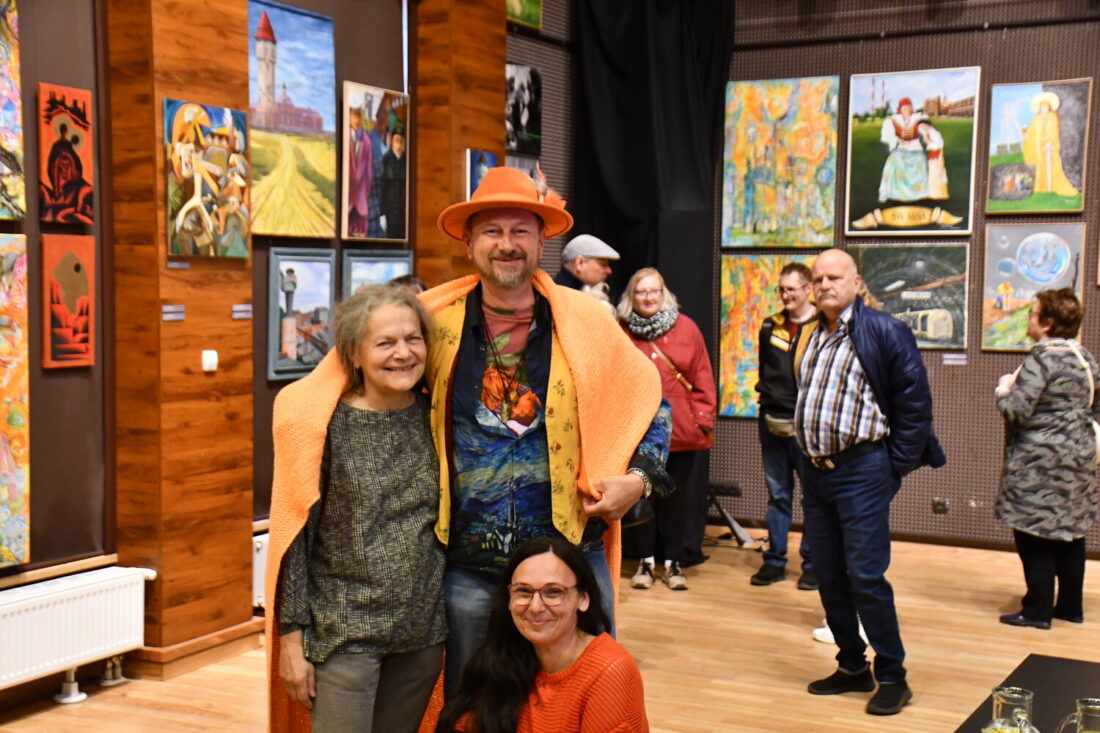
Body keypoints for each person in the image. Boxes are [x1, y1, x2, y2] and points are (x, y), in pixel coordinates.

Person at [421, 166, 672, 696]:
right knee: (472, 709)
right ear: (468, 243)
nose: (506, 244)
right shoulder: (433, 326)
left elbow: (650, 403)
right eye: (492, 231)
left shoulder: (586, 321)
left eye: (520, 231)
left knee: (586, 701)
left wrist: (639, 480)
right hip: (470, 569)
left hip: (570, 564)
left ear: (541, 241)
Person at [265, 285, 446, 733]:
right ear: (354, 354)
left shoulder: (436, 415)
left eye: (413, 339)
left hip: (420, 634)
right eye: (385, 343)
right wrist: (291, 641)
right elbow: (296, 540)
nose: (403, 353)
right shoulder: (321, 426)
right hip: (343, 636)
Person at [793, 248, 945, 716]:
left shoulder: (885, 330)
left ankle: (893, 676)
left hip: (862, 472)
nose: (824, 285)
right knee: (827, 575)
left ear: (856, 283)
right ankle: (851, 665)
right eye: (818, 278)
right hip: (816, 474)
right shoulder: (810, 334)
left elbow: (916, 407)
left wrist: (890, 468)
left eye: (834, 277)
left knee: (865, 576)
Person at [436, 536, 649, 733]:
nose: (536, 607)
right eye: (524, 591)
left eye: (553, 592)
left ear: (583, 599)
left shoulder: (610, 672)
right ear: (509, 599)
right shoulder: (501, 659)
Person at [994, 288, 1099, 630]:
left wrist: (1003, 389)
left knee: (1032, 533)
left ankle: (1036, 610)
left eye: (1033, 313)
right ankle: (1069, 606)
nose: (1028, 318)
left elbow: (1016, 411)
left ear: (1047, 323)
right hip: (1080, 459)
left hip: (1038, 463)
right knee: (1070, 532)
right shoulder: (1085, 358)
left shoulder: (1041, 359)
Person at [618, 268, 716, 590]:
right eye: (641, 291)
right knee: (641, 497)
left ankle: (673, 563)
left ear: (664, 294)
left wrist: (702, 420)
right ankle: (645, 563)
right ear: (632, 296)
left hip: (680, 432)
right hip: (638, 432)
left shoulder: (687, 328)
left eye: (654, 291)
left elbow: (703, 377)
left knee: (675, 499)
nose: (648, 297)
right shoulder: (620, 330)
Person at [751, 262, 817, 590]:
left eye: (791, 289)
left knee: (813, 497)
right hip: (772, 422)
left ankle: (813, 564)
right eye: (782, 289)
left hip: (809, 426)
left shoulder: (823, 326)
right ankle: (774, 561)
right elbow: (766, 370)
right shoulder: (770, 326)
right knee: (778, 495)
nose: (786, 295)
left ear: (808, 289)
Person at [878, 97, 935, 203]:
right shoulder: (893, 120)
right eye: (904, 108)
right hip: (901, 147)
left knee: (921, 160)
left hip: (915, 146)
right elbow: (887, 136)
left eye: (909, 108)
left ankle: (920, 193)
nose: (907, 110)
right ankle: (894, 192)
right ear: (900, 109)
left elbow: (926, 129)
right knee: (894, 160)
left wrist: (926, 135)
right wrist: (897, 139)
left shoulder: (918, 118)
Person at [1023, 91, 1078, 197]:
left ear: (1049, 107)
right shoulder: (1036, 119)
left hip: (1050, 146)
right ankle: (1042, 188)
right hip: (1039, 148)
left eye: (1046, 107)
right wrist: (1027, 137)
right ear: (1039, 108)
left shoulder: (1053, 117)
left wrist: (1050, 142)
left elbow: (1054, 133)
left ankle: (1055, 187)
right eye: (1042, 107)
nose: (1044, 108)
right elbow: (1032, 133)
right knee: (1041, 167)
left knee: (1054, 166)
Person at [553, 234, 620, 291]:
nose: (609, 271)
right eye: (603, 264)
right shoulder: (562, 296)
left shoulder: (559, 291)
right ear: (580, 263)